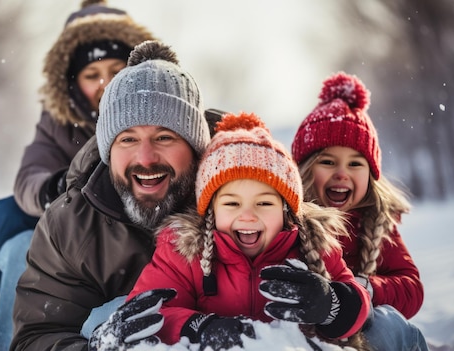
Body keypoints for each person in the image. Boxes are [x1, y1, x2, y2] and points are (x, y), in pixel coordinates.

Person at [94, 112, 371, 350]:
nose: (247, 215)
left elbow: (357, 306)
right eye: (232, 203)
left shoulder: (314, 248)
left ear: (286, 211)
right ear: (212, 211)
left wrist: (330, 305)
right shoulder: (184, 251)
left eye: (264, 203)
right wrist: (199, 327)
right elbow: (146, 314)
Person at [9, 40, 213, 351]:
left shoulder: (243, 201)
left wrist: (315, 316)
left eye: (164, 137)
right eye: (128, 139)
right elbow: (36, 336)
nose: (145, 158)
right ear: (108, 151)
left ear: (195, 147)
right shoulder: (72, 225)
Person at [0, 2, 155, 350]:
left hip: (141, 236)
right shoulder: (59, 124)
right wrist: (59, 187)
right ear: (73, 83)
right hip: (77, 234)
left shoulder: (158, 112)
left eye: (115, 69)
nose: (105, 83)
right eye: (92, 75)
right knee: (21, 248)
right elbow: (30, 177)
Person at [291, 72, 428, 350]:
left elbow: (411, 288)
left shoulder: (375, 223)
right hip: (309, 333)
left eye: (355, 164)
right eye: (328, 162)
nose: (342, 173)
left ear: (370, 174)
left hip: (364, 332)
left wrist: (367, 287)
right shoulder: (290, 223)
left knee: (390, 324)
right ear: (304, 171)